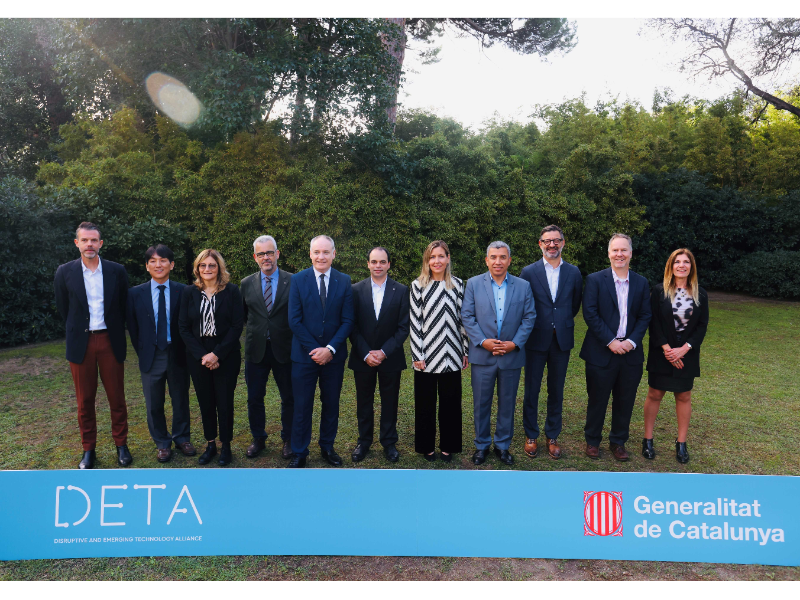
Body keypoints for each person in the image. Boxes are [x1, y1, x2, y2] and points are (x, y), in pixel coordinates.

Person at [54, 222, 132, 470]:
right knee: (84, 401)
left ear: (101, 243)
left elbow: (123, 305)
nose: (89, 244)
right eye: (85, 240)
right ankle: (89, 449)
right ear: (77, 243)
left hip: (110, 340)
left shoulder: (116, 271)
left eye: (94, 240)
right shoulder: (64, 272)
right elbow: (64, 308)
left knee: (116, 398)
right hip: (81, 343)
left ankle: (121, 445)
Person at [462, 242, 535, 466]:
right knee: (481, 403)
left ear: (509, 260)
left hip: (511, 355)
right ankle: (482, 445)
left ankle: (502, 446)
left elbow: (529, 317)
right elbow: (467, 316)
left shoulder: (523, 286)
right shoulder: (473, 284)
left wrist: (515, 343)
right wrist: (482, 341)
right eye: (493, 257)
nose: (498, 261)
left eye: (502, 257)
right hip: (482, 355)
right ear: (486, 260)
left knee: (507, 403)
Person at [580, 234, 652, 462]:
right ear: (609, 253)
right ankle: (592, 441)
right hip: (601, 351)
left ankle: (618, 442)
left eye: (624, 250)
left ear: (631, 253)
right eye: (615, 250)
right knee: (597, 399)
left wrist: (631, 342)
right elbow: (590, 313)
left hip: (630, 353)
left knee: (625, 400)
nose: (619, 254)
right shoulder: (594, 280)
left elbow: (645, 315)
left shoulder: (641, 282)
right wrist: (611, 341)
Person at [287, 236, 354, 469]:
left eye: (326, 252)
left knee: (331, 404)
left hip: (333, 357)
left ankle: (327, 447)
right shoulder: (298, 280)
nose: (321, 256)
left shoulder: (344, 281)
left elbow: (348, 320)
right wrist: (315, 350)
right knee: (302, 405)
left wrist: (330, 349)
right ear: (310, 254)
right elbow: (294, 320)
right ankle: (299, 451)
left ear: (334, 254)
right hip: (304, 356)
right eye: (317, 252)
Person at [519, 225, 583, 460]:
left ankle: (552, 435)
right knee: (532, 389)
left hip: (561, 340)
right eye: (547, 241)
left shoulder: (574, 272)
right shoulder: (528, 272)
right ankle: (531, 435)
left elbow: (574, 304)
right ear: (540, 244)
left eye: (556, 240)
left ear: (563, 243)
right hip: (535, 339)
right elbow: (524, 304)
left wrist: (559, 323)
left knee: (556, 390)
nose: (552, 245)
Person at [127, 245, 195, 463]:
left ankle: (182, 438)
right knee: (153, 403)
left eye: (163, 260)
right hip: (151, 354)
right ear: (147, 266)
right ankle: (162, 443)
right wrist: (144, 350)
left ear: (171, 265)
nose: (158, 265)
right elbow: (133, 327)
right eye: (153, 261)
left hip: (178, 353)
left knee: (180, 399)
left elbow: (190, 324)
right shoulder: (135, 293)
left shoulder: (184, 291)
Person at [643, 249, 709, 464]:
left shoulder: (701, 294)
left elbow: (702, 326)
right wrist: (667, 349)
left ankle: (681, 443)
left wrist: (684, 349)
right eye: (677, 262)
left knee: (684, 396)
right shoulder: (658, 291)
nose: (681, 265)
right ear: (671, 266)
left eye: (686, 262)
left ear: (691, 267)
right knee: (655, 394)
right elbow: (653, 322)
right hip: (661, 351)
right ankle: (647, 439)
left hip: (687, 354)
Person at [179, 249, 244, 467]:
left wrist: (217, 354)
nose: (207, 269)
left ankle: (226, 446)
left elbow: (237, 326)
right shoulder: (189, 292)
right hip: (198, 355)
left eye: (212, 265)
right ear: (197, 268)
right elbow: (183, 328)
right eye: (203, 265)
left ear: (219, 268)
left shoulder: (232, 291)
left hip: (226, 353)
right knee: (205, 401)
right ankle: (210, 444)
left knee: (224, 402)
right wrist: (203, 355)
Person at [349, 247, 410, 464]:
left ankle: (389, 442)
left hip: (390, 357)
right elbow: (351, 325)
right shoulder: (355, 290)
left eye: (382, 262)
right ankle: (364, 441)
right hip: (362, 357)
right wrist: (366, 352)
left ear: (389, 265)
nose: (378, 266)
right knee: (364, 402)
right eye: (374, 261)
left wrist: (384, 352)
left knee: (390, 402)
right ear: (368, 264)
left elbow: (403, 327)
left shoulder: (401, 290)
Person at [410, 241, 469, 463]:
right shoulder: (418, 286)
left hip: (452, 354)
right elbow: (415, 322)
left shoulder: (458, 285)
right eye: (432, 257)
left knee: (451, 404)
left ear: (448, 258)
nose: (437, 261)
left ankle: (448, 446)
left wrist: (465, 351)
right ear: (427, 260)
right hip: (426, 355)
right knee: (425, 404)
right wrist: (417, 355)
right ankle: (426, 446)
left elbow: (463, 320)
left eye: (441, 256)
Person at [241, 236, 294, 460]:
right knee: (254, 398)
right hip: (256, 350)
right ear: (255, 257)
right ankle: (258, 438)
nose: (266, 257)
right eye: (261, 254)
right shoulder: (246, 283)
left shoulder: (293, 281)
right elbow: (244, 317)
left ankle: (289, 439)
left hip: (286, 349)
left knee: (289, 397)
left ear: (277, 254)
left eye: (270, 252)